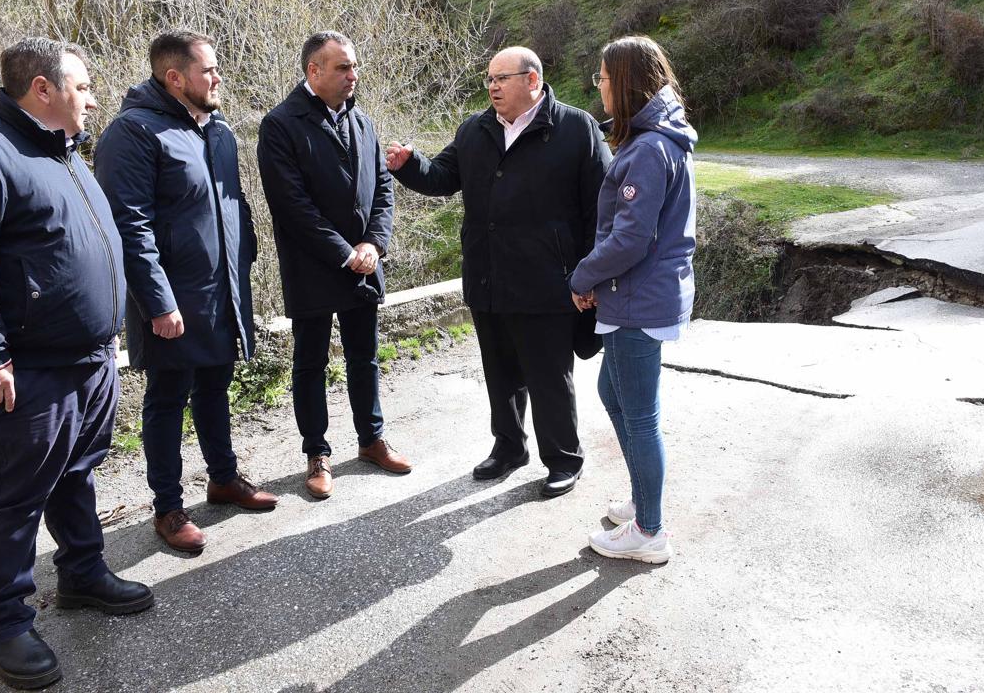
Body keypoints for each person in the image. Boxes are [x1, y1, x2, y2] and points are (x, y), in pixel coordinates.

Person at [0, 38, 153, 689]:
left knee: (77, 475)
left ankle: (82, 574)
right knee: (13, 499)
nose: (94, 97)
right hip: (24, 369)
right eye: (83, 86)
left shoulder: (66, 156)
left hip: (88, 360)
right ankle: (6, 624)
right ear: (43, 90)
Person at [386, 46, 611, 497]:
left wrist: (590, 274)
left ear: (532, 81)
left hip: (550, 280)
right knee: (501, 372)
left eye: (502, 78)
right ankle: (509, 447)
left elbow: (600, 208)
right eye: (489, 78)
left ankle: (564, 458)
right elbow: (443, 176)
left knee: (549, 375)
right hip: (489, 274)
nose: (492, 86)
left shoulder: (575, 128)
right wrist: (410, 164)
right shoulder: (476, 128)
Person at [94, 31, 277, 555]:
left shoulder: (217, 131)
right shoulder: (133, 133)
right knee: (168, 399)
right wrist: (158, 300)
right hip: (172, 299)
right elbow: (130, 225)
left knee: (216, 386)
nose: (218, 78)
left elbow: (231, 204)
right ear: (174, 78)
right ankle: (168, 508)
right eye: (209, 71)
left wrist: (244, 259)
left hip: (222, 292)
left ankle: (223, 479)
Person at [257, 31, 411, 500]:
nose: (353, 75)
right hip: (315, 267)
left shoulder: (362, 121)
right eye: (343, 67)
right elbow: (292, 207)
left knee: (365, 356)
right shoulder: (281, 125)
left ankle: (371, 440)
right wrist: (347, 252)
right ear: (314, 71)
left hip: (364, 264)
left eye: (354, 66)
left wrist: (373, 244)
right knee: (311, 362)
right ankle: (317, 454)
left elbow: (383, 190)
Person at [569, 35, 696, 564]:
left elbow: (631, 238)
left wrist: (582, 277)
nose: (598, 85)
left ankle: (650, 531)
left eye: (602, 77)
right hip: (644, 294)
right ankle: (645, 501)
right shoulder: (658, 137)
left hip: (636, 298)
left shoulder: (647, 148)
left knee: (639, 414)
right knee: (613, 391)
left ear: (624, 82)